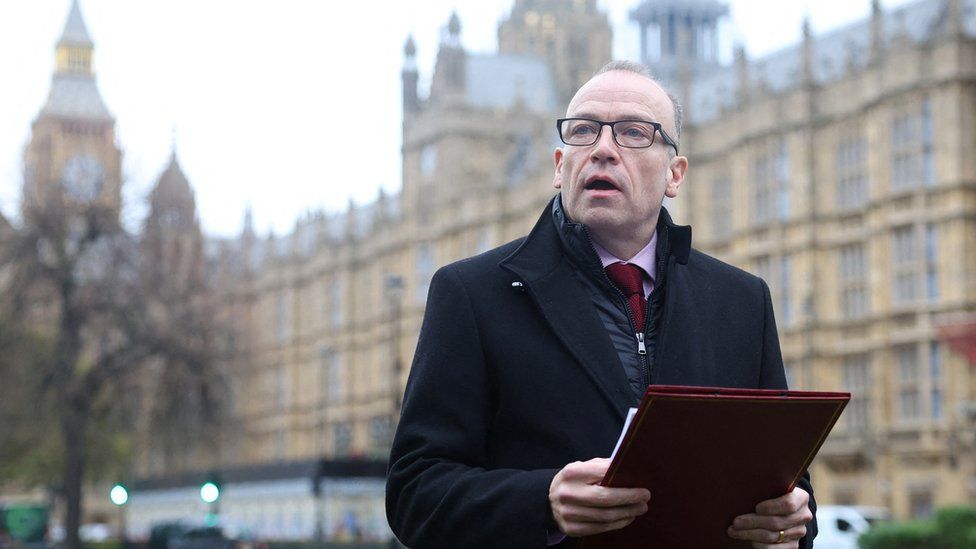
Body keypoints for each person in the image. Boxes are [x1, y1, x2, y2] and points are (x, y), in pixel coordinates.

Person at [386, 60, 816, 548]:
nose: (603, 149)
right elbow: (413, 492)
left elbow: (789, 483)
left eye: (634, 133)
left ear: (675, 175)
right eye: (584, 131)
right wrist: (541, 501)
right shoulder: (472, 293)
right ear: (558, 165)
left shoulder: (742, 301)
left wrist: (792, 520)